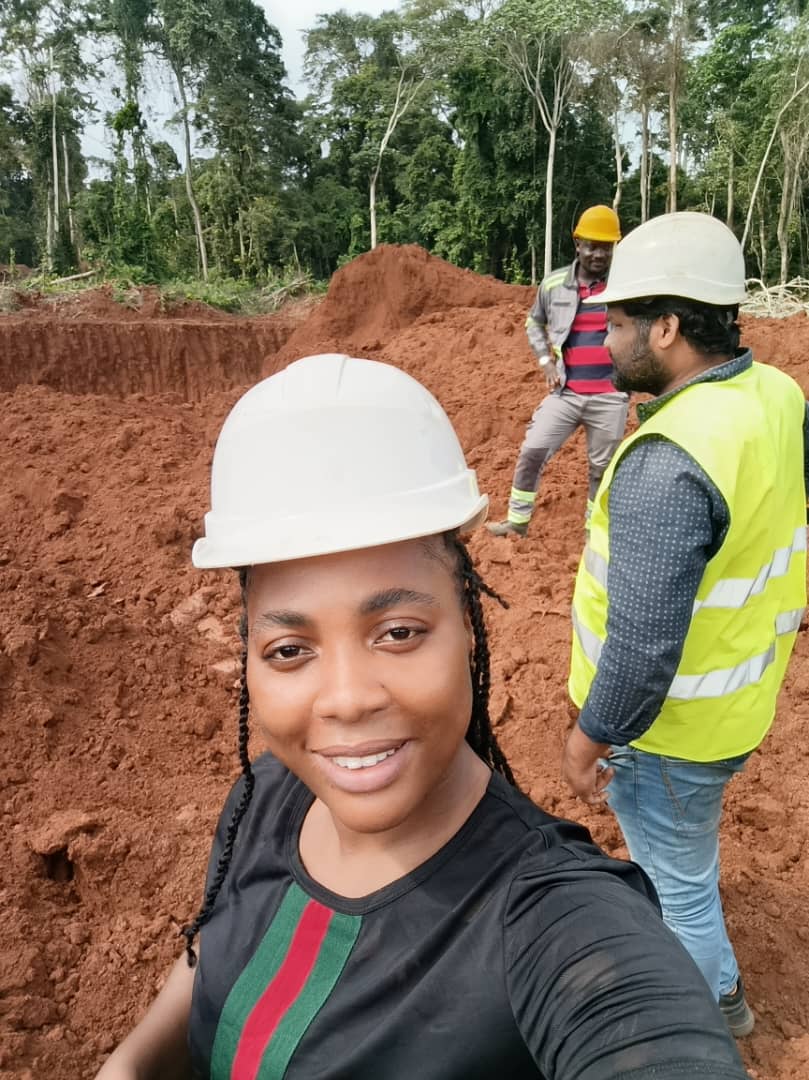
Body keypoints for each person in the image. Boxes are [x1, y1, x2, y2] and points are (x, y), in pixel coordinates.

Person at [97, 353, 750, 1080]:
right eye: (288, 648)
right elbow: (216, 950)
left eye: (398, 632)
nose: (346, 698)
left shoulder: (552, 919)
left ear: (468, 626)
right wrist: (127, 1064)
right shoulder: (269, 796)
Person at [562, 212, 809, 1040]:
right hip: (738, 700)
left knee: (678, 888)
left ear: (667, 327)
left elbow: (640, 644)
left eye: (620, 323)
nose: (605, 341)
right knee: (686, 865)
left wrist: (590, 735)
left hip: (670, 732)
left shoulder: (668, 462)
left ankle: (714, 1016)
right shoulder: (773, 393)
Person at [488, 205, 628, 537]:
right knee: (533, 450)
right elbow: (533, 322)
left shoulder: (625, 287)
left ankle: (594, 531)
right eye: (591, 245)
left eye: (605, 247)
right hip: (566, 392)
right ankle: (517, 523)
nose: (598, 254)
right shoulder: (553, 285)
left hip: (610, 395)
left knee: (601, 470)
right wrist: (545, 362)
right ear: (577, 244)